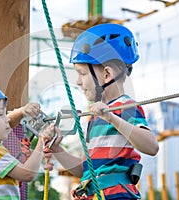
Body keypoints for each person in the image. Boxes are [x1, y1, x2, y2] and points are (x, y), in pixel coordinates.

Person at [43, 24, 159, 199]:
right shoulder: (94, 118)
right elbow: (85, 169)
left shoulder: (125, 106)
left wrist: (112, 118)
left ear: (106, 75)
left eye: (82, 74)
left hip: (116, 195)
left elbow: (151, 146)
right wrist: (57, 148)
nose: (78, 82)